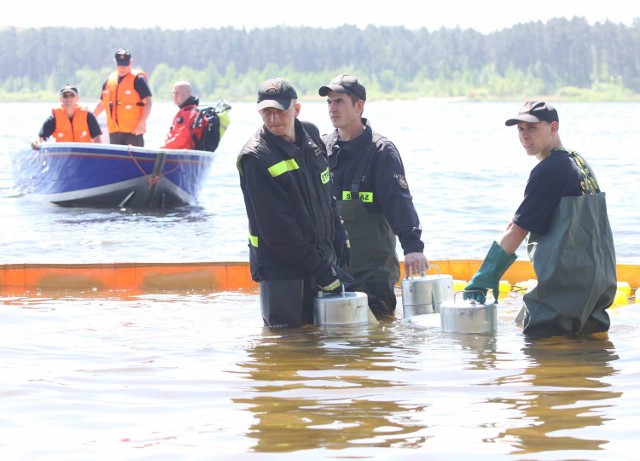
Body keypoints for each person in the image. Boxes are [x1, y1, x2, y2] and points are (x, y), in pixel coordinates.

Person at [464, 101, 617, 337]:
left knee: (540, 350)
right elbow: (520, 219)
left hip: (565, 290)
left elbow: (518, 229)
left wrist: (485, 276)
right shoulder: (578, 162)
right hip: (598, 287)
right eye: (520, 129)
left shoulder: (550, 169)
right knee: (590, 349)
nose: (525, 136)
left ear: (553, 127)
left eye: (532, 128)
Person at [237, 77, 352, 328]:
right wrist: (323, 271)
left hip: (318, 258)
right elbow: (278, 232)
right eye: (266, 112)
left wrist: (340, 236)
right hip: (281, 273)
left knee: (320, 345)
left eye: (279, 110)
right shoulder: (256, 157)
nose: (273, 118)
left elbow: (326, 192)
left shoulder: (310, 134)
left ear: (296, 109)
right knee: (286, 345)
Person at [318, 74, 429, 318]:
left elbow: (399, 202)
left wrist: (413, 247)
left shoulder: (381, 151)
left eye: (339, 101)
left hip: (372, 274)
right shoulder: (321, 148)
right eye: (329, 102)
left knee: (378, 336)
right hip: (331, 272)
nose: (332, 108)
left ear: (359, 106)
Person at [93, 48, 152, 147]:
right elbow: (102, 104)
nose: (122, 67)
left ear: (131, 62)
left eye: (125, 64)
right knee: (116, 161)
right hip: (114, 132)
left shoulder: (138, 79)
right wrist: (90, 119)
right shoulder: (109, 82)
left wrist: (142, 124)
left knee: (134, 160)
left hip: (134, 131)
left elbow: (148, 102)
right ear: (115, 63)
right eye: (120, 64)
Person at [31, 84, 102, 150]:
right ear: (61, 99)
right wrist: (36, 142)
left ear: (77, 98)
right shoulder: (53, 119)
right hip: (64, 156)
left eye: (72, 95)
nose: (68, 99)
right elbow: (40, 138)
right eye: (65, 96)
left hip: (85, 156)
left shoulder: (88, 116)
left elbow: (97, 139)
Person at [161, 81, 199, 149]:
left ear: (188, 94)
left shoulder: (190, 114)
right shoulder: (183, 112)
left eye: (178, 93)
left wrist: (163, 148)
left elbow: (182, 137)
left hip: (185, 153)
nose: (175, 96)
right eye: (173, 93)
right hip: (178, 152)